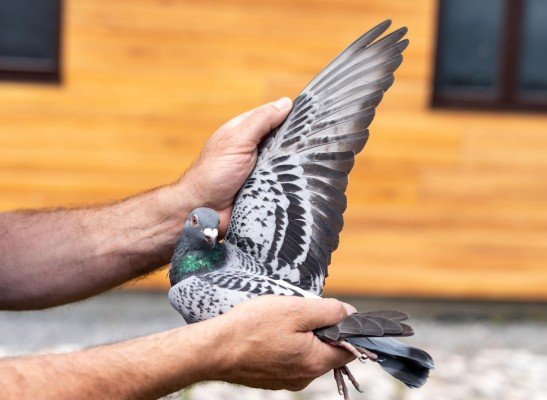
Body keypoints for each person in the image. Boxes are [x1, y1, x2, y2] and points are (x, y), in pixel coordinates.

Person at [0, 97, 355, 399]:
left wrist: (188, 199)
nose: (210, 233)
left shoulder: (211, 260)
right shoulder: (195, 283)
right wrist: (216, 350)